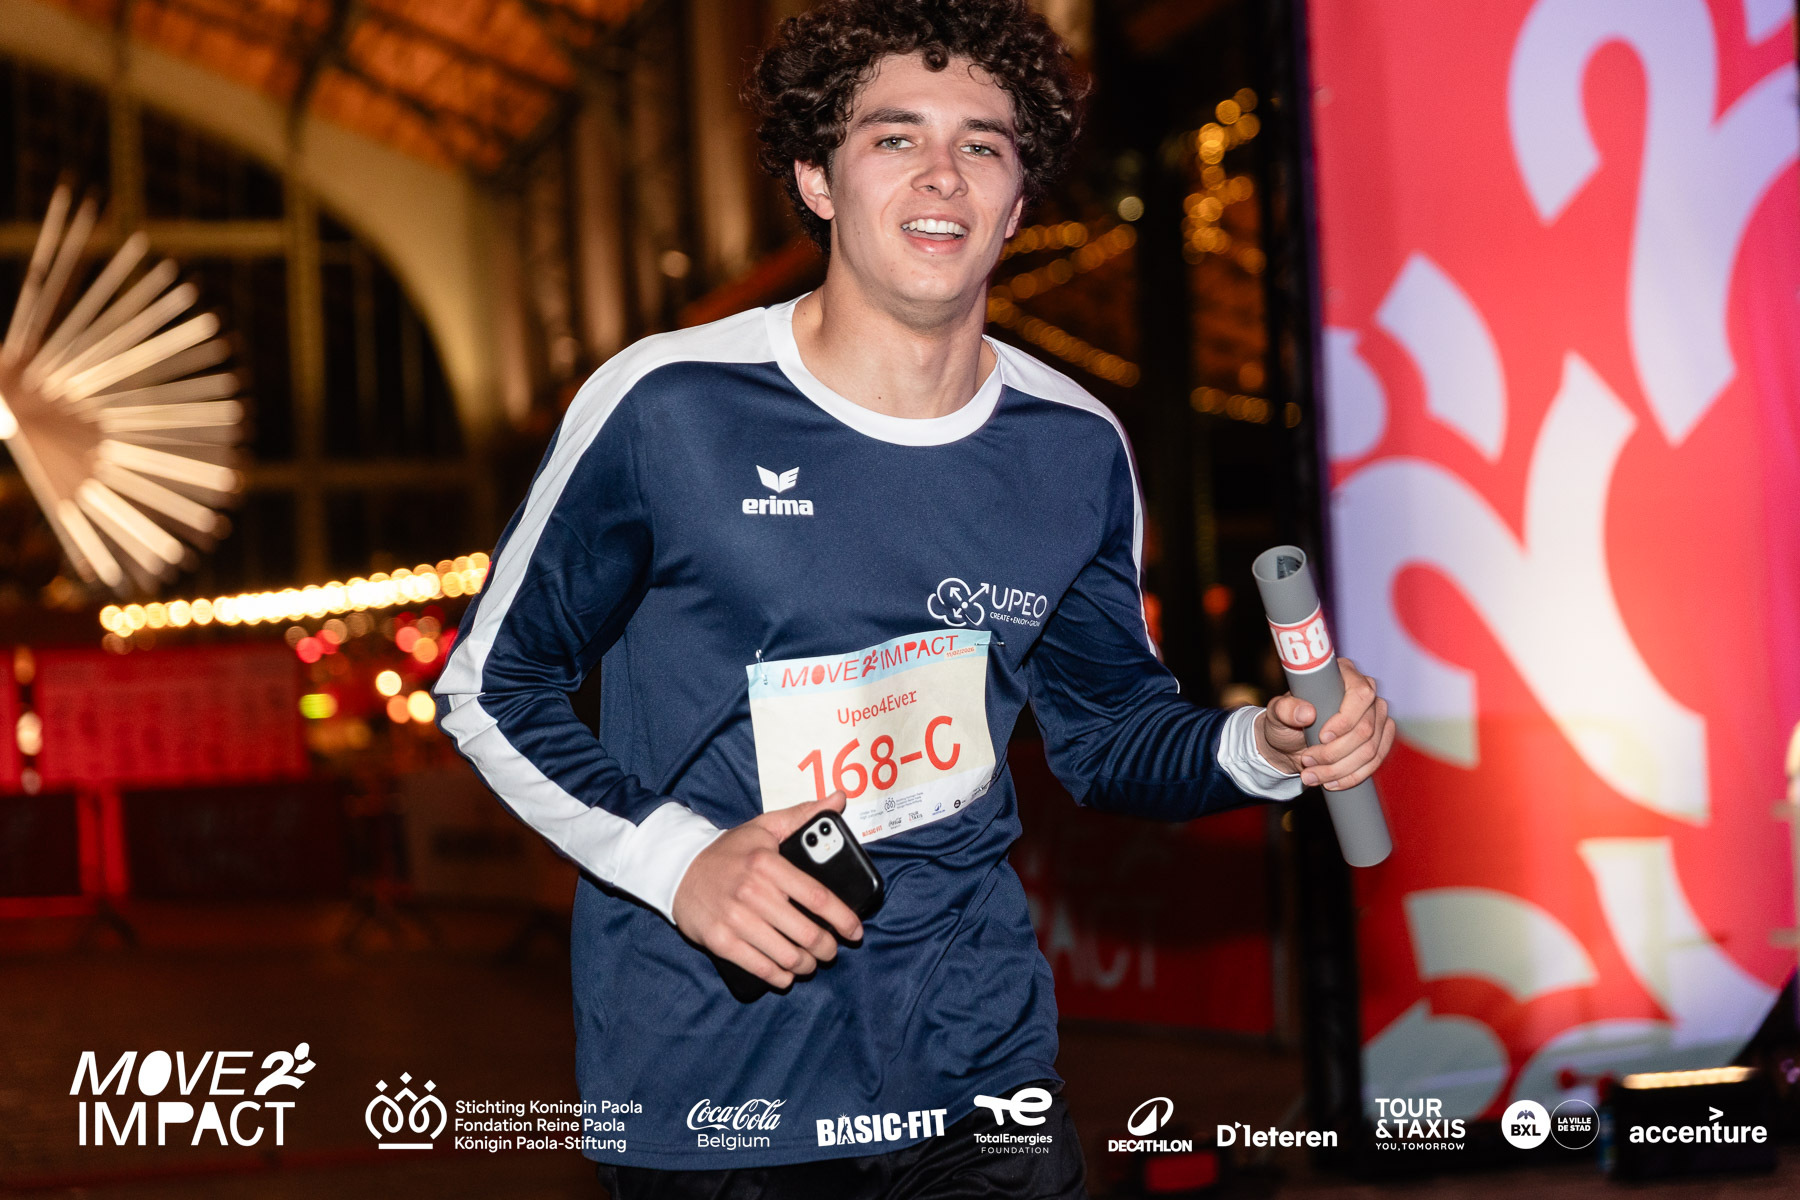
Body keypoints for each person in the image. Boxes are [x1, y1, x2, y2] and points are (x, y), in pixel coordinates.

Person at [435, 1, 1394, 1196]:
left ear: (1018, 198)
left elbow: (1108, 732)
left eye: (982, 145)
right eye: (895, 137)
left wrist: (1264, 746)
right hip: (719, 1081)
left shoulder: (1073, 445)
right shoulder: (667, 405)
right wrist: (682, 862)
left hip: (977, 1061)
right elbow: (490, 688)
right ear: (817, 178)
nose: (943, 174)